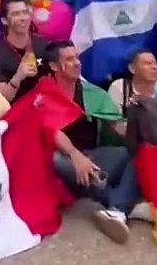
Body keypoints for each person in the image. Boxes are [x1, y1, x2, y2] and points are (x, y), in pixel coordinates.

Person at [43, 42, 144, 244]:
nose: (77, 63)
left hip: (94, 157)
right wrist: (76, 156)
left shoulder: (92, 93)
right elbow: (51, 131)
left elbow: (117, 125)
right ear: (54, 66)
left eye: (76, 57)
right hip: (64, 162)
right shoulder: (44, 94)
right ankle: (125, 204)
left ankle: (117, 209)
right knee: (55, 159)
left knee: (136, 152)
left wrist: (139, 125)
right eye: (69, 59)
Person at [0, 0, 50, 103]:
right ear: (4, 20)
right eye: (16, 14)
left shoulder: (44, 44)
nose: (23, 18)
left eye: (25, 12)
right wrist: (18, 77)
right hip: (17, 110)